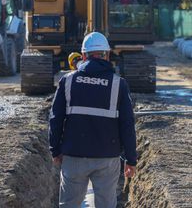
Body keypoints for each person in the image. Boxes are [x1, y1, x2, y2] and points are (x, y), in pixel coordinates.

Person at [49, 32, 137, 207]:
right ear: (107, 55)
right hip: (107, 157)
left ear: (83, 56)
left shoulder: (67, 81)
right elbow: (127, 125)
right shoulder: (118, 84)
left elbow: (55, 118)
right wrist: (131, 159)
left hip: (74, 156)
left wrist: (55, 149)